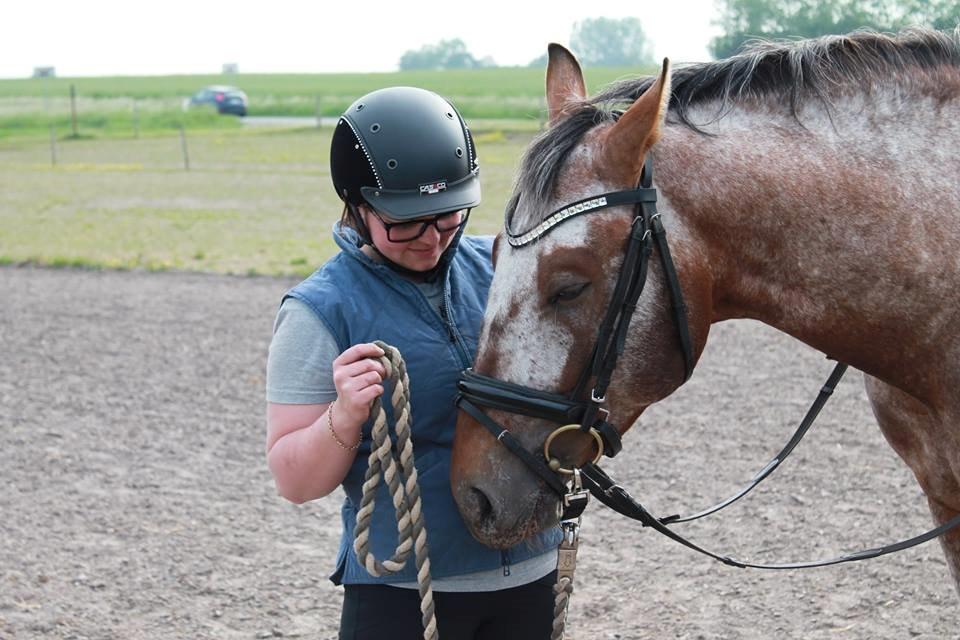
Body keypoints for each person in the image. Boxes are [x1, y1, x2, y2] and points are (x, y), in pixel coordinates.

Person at [265, 86, 562, 640]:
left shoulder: (503, 268)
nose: (431, 239)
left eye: (448, 217)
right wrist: (344, 416)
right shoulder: (317, 311)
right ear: (358, 203)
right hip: (405, 594)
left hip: (530, 575)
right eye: (407, 221)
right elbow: (293, 480)